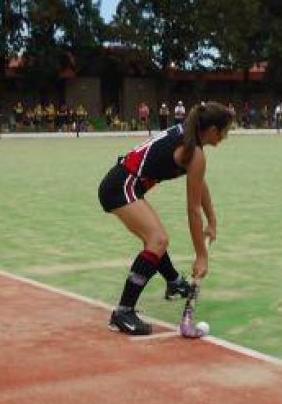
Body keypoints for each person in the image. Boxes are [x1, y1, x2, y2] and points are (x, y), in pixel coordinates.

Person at [98, 102, 234, 335]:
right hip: (122, 185)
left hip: (122, 183)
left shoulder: (189, 139)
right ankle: (123, 311)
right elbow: (192, 210)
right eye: (225, 131)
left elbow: (199, 183)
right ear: (212, 130)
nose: (226, 136)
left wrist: (212, 220)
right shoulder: (194, 151)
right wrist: (201, 256)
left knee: (154, 239)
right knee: (157, 240)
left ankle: (173, 282)